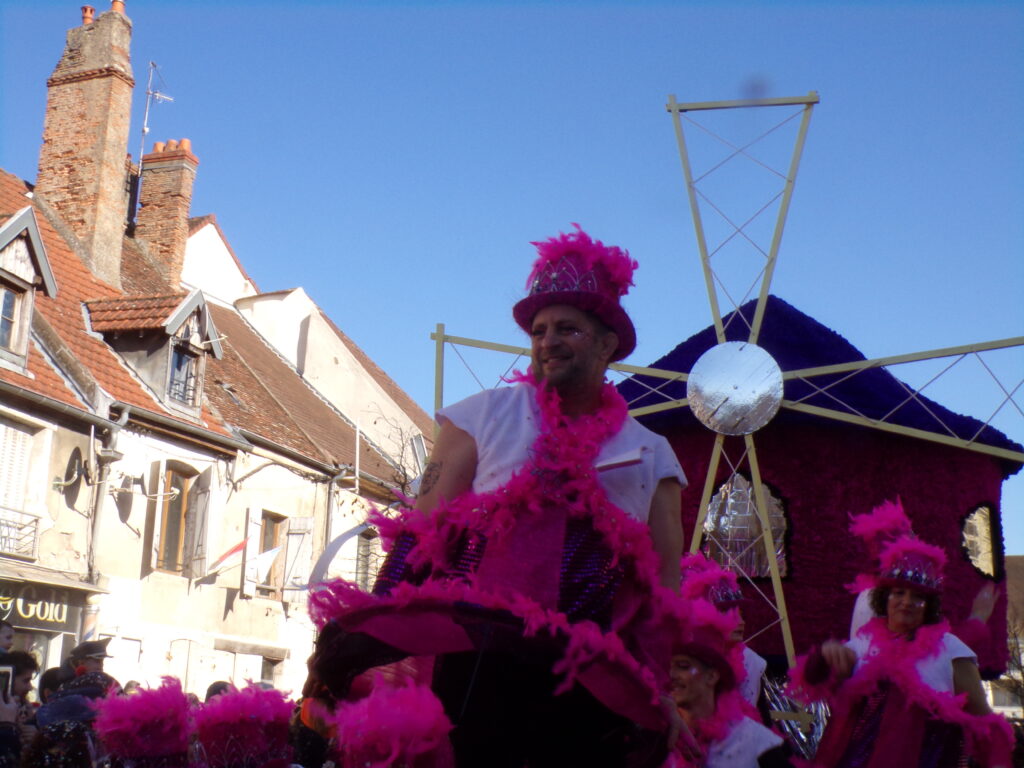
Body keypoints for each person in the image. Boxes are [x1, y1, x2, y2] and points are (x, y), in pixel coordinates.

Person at [308, 225, 686, 767]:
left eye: (568, 329)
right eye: (539, 329)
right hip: (479, 662)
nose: (548, 341)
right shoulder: (479, 416)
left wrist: (659, 688)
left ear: (607, 344)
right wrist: (368, 630)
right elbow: (422, 532)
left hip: (593, 675)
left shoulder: (654, 452)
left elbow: (663, 591)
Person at [791, 534, 1013, 767]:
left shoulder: (951, 649)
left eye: (918, 597)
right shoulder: (862, 644)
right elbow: (814, 682)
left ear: (928, 607)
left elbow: (984, 721)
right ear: (885, 598)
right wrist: (824, 655)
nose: (907, 602)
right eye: (899, 593)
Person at [669, 605, 791, 768]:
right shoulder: (659, 740)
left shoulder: (753, 738)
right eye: (668, 667)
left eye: (683, 666)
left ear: (712, 676)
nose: (672, 675)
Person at [679, 553, 767, 712]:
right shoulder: (679, 659)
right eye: (726, 614)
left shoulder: (750, 663)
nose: (741, 622)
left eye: (740, 614)